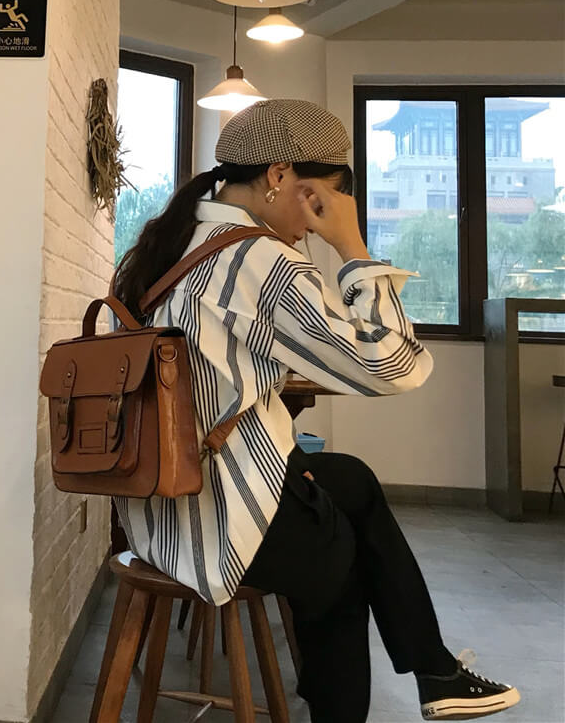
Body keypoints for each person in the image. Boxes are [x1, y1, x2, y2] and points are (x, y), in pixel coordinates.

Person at [111, 99, 520, 722]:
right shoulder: (260, 260)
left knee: (351, 480)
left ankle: (435, 670)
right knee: (343, 559)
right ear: (279, 176)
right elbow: (393, 365)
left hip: (155, 504)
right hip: (216, 517)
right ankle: (402, 685)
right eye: (322, 199)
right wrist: (352, 247)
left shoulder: (175, 241)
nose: (316, 223)